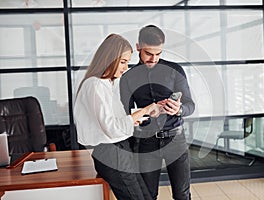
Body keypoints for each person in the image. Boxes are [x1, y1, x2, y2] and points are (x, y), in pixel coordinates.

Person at [74, 34, 158, 200]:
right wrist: (142, 112)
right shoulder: (95, 85)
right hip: (111, 152)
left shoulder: (108, 84)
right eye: (123, 62)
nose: (126, 68)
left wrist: (143, 113)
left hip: (121, 149)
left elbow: (118, 119)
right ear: (109, 58)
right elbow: (111, 128)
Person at [120, 25, 195, 200]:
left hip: (176, 139)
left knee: (182, 195)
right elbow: (126, 115)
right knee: (148, 196)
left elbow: (190, 105)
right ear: (138, 46)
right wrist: (146, 112)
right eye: (148, 53)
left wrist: (179, 109)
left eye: (158, 53)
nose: (153, 59)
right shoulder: (127, 77)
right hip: (146, 142)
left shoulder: (175, 70)